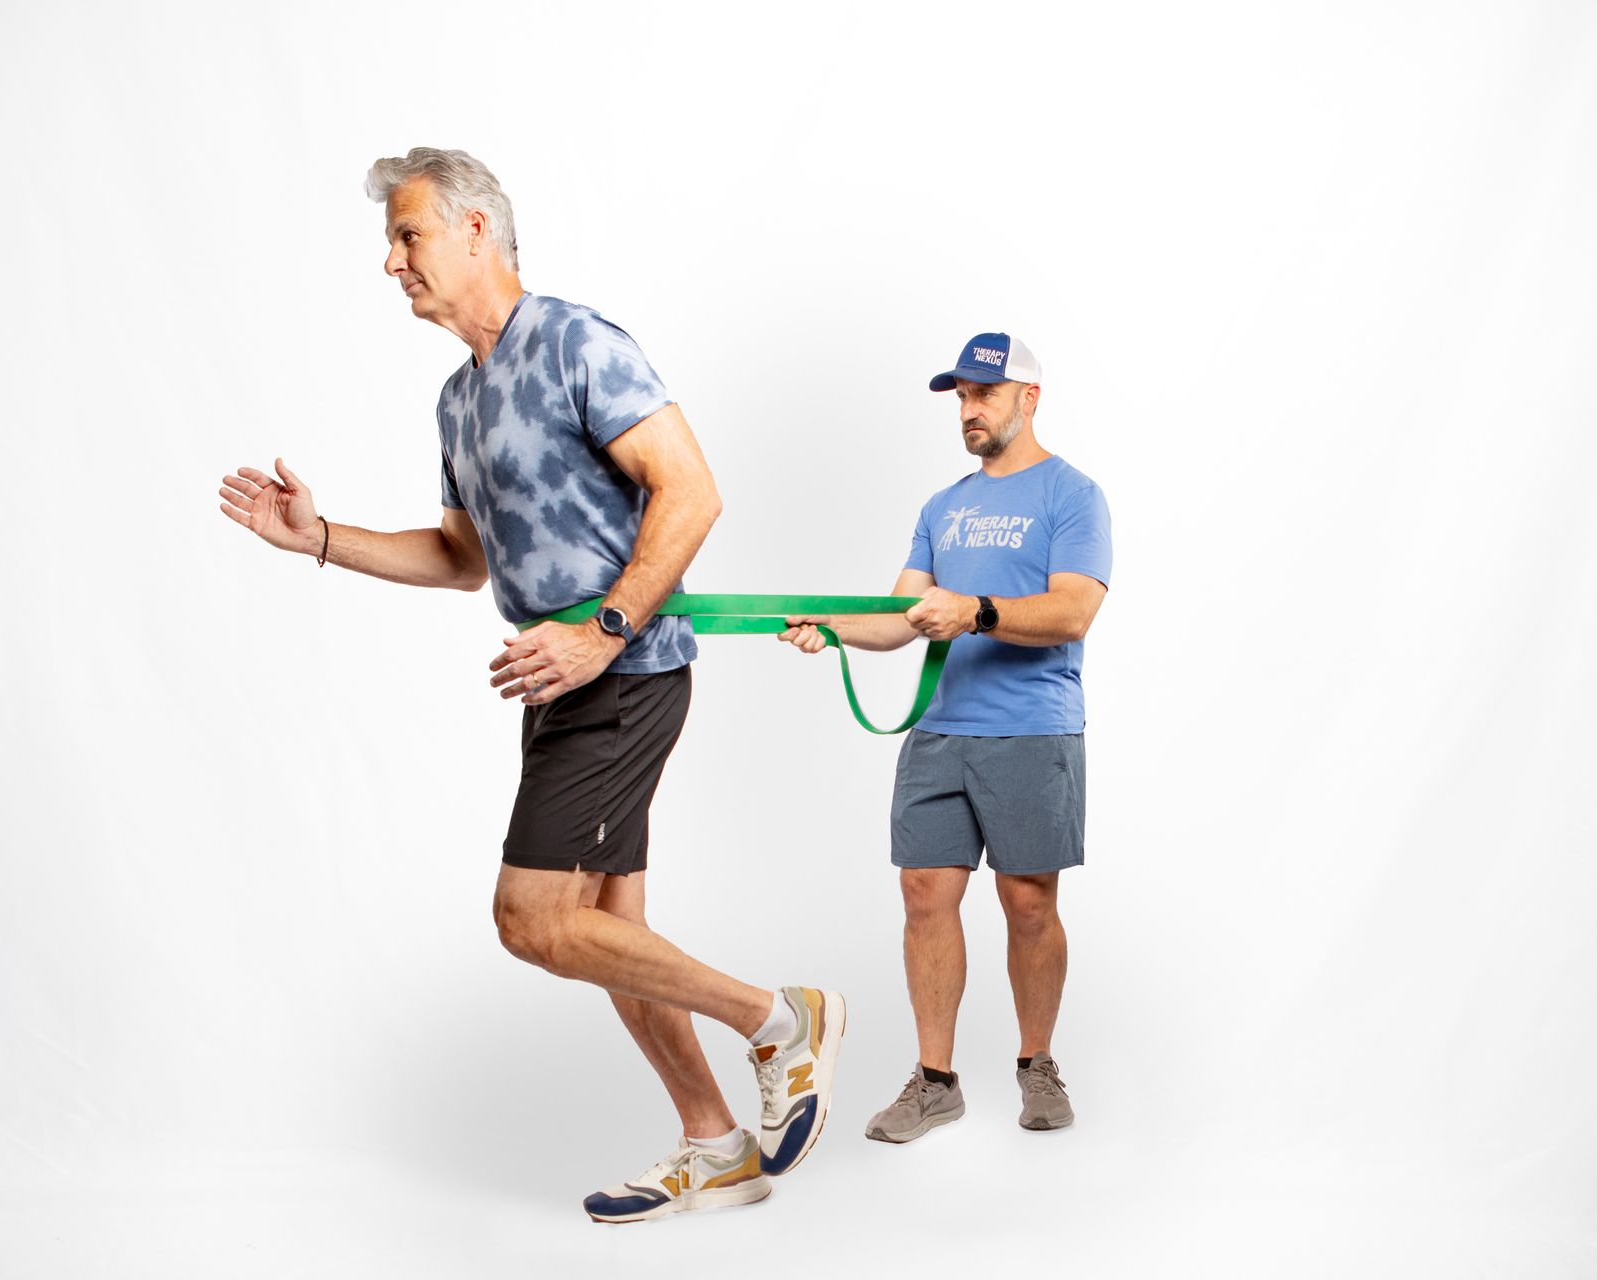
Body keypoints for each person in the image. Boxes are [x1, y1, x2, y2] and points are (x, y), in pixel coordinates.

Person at [215, 148, 844, 1222]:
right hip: (564, 681)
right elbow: (463, 558)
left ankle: (780, 1017)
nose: (391, 262)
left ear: (474, 232)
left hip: (623, 669)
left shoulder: (574, 342)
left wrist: (603, 629)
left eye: (406, 235)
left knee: (530, 915)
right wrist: (318, 537)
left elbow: (691, 492)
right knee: (606, 925)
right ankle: (714, 1139)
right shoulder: (461, 400)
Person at [780, 333, 1110, 1140]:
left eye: (984, 394)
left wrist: (978, 611)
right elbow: (899, 618)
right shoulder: (943, 506)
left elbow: (1073, 610)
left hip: (1032, 731)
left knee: (1028, 905)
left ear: (1028, 398)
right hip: (939, 733)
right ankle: (936, 1081)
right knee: (925, 896)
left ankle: (1037, 1064)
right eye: (960, 396)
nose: (969, 410)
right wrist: (833, 626)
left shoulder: (1072, 495)